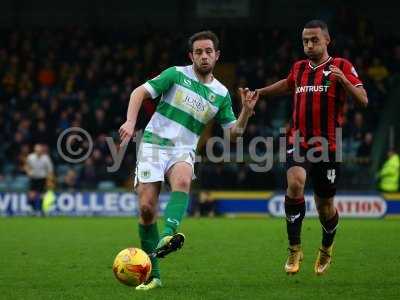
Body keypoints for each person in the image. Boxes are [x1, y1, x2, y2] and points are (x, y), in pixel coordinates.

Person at [119, 30, 258, 290]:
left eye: (208, 51)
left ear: (217, 56)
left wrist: (246, 114)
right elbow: (139, 93)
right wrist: (130, 121)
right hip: (153, 144)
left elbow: (233, 135)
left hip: (183, 149)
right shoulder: (175, 74)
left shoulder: (221, 93)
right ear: (191, 56)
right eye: (198, 52)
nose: (204, 56)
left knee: (183, 180)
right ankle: (154, 276)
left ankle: (167, 235)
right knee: (147, 209)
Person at [254, 20, 368, 275]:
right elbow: (286, 84)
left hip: (328, 146)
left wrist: (345, 82)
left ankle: (326, 248)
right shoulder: (298, 68)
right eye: (305, 40)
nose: (309, 44)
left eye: (314, 39)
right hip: (300, 141)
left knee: (324, 206)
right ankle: (295, 249)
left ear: (327, 40)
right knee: (295, 182)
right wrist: (259, 93)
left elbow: (364, 100)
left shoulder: (341, 66)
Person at [25, 144, 54, 216]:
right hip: (33, 178)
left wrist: (49, 180)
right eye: (37, 150)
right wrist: (28, 172)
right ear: (35, 150)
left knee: (42, 195)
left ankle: (41, 210)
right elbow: (26, 166)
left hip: (42, 178)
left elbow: (50, 170)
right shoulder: (30, 157)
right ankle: (32, 210)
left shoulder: (46, 158)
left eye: (39, 150)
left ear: (41, 151)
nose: (38, 151)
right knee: (32, 194)